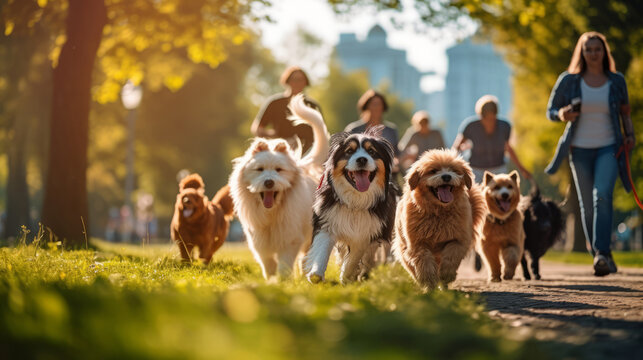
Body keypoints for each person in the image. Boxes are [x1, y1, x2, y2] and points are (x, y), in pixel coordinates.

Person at [545, 31, 635, 276]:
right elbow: (550, 110)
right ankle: (600, 254)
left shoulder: (616, 80)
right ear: (582, 52)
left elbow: (625, 112)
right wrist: (561, 114)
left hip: (609, 146)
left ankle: (602, 253)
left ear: (604, 52)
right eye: (588, 49)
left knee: (602, 195)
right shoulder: (569, 80)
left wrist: (630, 134)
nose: (593, 53)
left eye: (597, 49)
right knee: (587, 207)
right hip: (579, 149)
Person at [452, 94, 532, 183]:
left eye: (492, 118)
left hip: (498, 169)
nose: (489, 122)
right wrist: (454, 166)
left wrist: (521, 168)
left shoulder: (505, 126)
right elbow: (457, 147)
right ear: (481, 116)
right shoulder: (470, 126)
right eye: (486, 118)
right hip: (476, 170)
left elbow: (508, 148)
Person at [251, 66, 321, 153]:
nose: (297, 83)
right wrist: (275, 137)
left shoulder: (313, 106)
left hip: (308, 154)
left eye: (300, 80)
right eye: (294, 79)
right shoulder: (275, 103)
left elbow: (321, 133)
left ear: (305, 82)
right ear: (288, 81)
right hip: (281, 152)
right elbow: (257, 128)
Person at [345, 89, 400, 170]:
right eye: (374, 104)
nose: (377, 107)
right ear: (367, 106)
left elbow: (396, 154)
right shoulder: (353, 129)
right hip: (359, 169)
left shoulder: (391, 131)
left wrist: (395, 161)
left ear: (383, 107)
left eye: (379, 104)